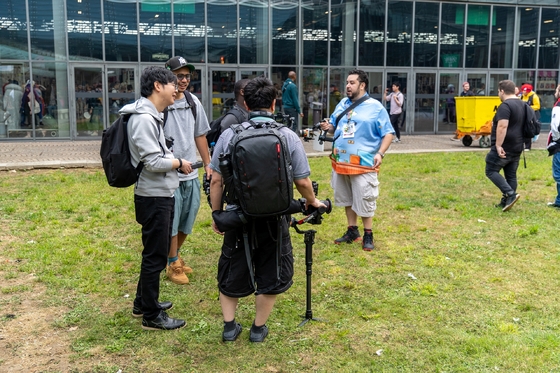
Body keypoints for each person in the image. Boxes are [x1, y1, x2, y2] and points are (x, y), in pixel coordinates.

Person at [209, 77, 324, 343]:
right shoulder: (287, 136)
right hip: (276, 216)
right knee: (272, 270)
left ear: (245, 103)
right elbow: (303, 181)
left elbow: (216, 179)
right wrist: (313, 202)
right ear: (274, 103)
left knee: (232, 268)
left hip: (238, 216)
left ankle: (229, 327)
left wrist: (218, 214)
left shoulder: (230, 135)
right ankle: (258, 329)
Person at [121, 66, 188, 330]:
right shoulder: (144, 118)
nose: (177, 89)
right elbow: (152, 161)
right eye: (173, 83)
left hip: (158, 193)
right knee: (156, 257)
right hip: (154, 196)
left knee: (154, 253)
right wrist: (178, 161)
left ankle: (143, 302)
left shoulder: (151, 115)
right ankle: (151, 315)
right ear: (158, 86)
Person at [320, 69, 394, 251]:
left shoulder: (376, 107)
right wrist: (328, 127)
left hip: (363, 164)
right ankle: (352, 230)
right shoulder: (342, 103)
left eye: (352, 82)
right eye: (347, 82)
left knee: (365, 198)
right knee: (347, 198)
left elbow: (388, 133)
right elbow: (334, 128)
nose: (347, 86)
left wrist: (380, 153)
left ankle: (368, 234)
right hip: (341, 161)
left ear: (362, 85)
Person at [163, 56, 212, 285]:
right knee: (172, 220)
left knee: (187, 219)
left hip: (191, 171)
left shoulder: (193, 102)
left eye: (186, 76)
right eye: (178, 76)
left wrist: (208, 164)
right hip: (168, 172)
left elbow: (200, 135)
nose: (183, 81)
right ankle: (173, 263)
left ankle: (173, 254)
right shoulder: (162, 103)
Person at [485, 80, 524, 212]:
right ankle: (507, 201)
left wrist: (498, 145)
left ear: (502, 91)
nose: (498, 94)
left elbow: (503, 126)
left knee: (490, 170)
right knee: (511, 175)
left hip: (505, 146)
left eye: (498, 91)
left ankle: (510, 194)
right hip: (518, 145)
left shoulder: (505, 106)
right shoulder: (523, 104)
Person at [546, 84, 560, 209]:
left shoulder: (558, 107)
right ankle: (559, 201)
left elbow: (556, 127)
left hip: (559, 144)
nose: (555, 92)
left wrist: (556, 140)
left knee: (558, 174)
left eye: (556, 90)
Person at [520, 83, 541, 151]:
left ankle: (528, 146)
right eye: (523, 90)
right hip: (524, 115)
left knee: (528, 129)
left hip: (532, 115)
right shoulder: (522, 96)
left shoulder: (534, 96)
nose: (523, 92)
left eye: (524, 91)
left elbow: (537, 106)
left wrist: (528, 108)